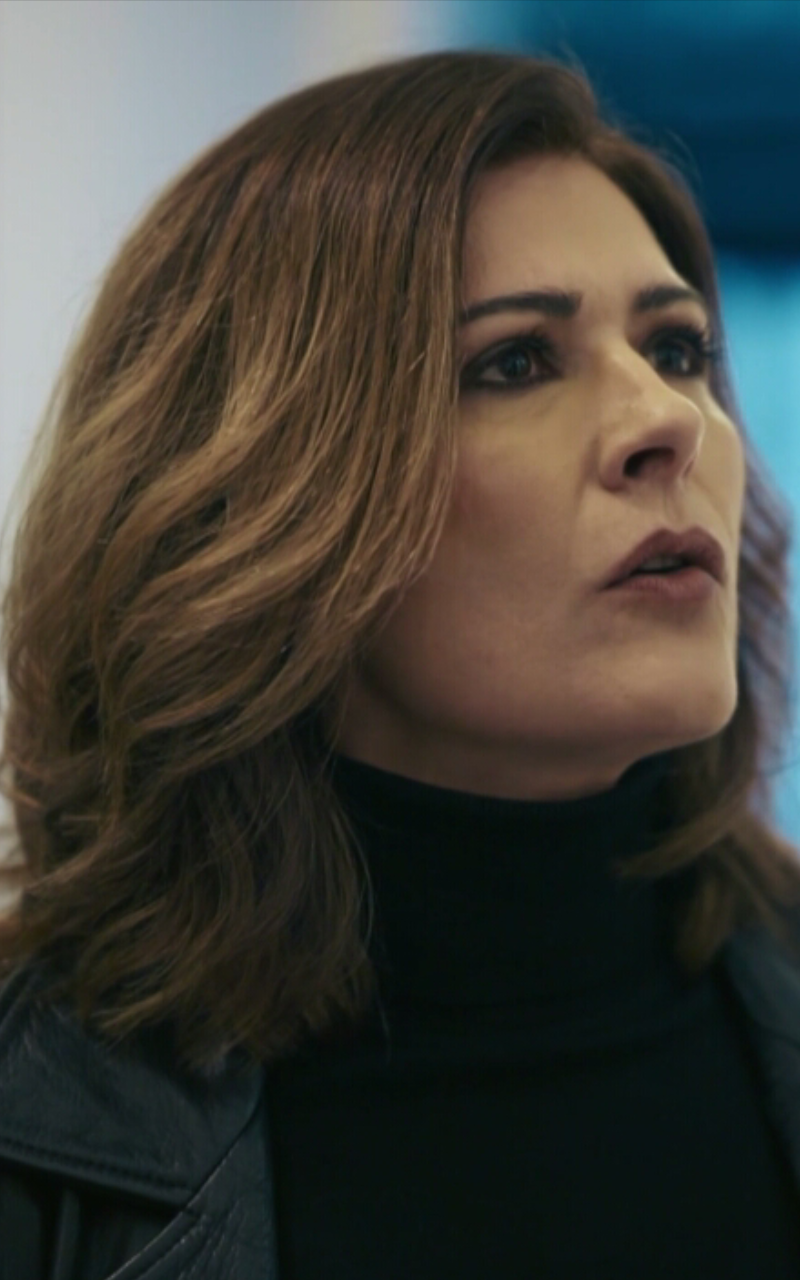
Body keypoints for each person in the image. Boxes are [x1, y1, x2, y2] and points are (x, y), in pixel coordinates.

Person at [1, 47, 800, 1280]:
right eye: (513, 362)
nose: (667, 420)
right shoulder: (33, 1135)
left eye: (677, 348)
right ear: (259, 499)